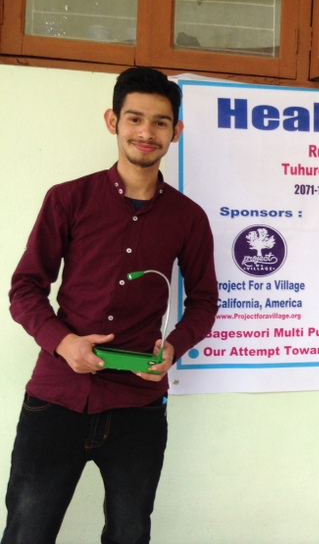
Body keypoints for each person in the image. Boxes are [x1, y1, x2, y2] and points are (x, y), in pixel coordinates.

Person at [3, 67, 218, 544]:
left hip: (138, 407)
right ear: (112, 121)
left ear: (176, 131)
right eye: (135, 118)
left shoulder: (188, 217)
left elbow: (205, 300)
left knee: (129, 534)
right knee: (27, 532)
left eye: (160, 122)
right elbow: (25, 288)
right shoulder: (68, 199)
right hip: (56, 399)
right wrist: (64, 343)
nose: (146, 132)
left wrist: (174, 347)